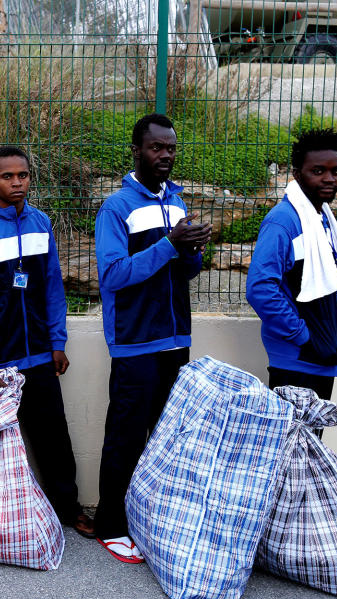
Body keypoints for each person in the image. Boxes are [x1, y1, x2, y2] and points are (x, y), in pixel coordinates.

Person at [0, 146, 95, 538]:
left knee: (54, 435)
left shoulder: (41, 223)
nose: (16, 182)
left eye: (23, 175)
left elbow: (53, 286)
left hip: (39, 354)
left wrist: (58, 341)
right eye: (7, 176)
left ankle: (68, 509)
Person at [93, 114, 211, 563]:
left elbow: (183, 271)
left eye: (171, 148)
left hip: (175, 337)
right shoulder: (117, 207)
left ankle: (151, 519)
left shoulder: (177, 203)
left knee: (166, 437)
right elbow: (114, 275)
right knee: (125, 436)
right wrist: (169, 244)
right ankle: (110, 524)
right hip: (135, 341)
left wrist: (193, 250)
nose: (165, 156)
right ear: (137, 150)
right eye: (156, 148)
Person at [246, 128, 337, 402]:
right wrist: (302, 335)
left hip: (321, 353)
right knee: (293, 444)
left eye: (336, 171)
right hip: (297, 359)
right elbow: (260, 289)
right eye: (318, 171)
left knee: (311, 444)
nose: (329, 179)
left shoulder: (322, 218)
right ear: (297, 174)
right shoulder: (284, 221)